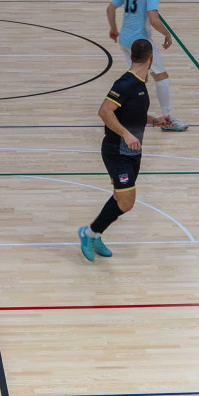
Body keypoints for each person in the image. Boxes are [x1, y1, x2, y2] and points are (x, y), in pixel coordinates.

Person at [80, 37, 154, 262]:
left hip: (133, 153)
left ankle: (95, 234)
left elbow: (132, 114)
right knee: (127, 201)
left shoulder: (140, 84)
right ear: (151, 59)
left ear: (131, 56)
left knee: (119, 197)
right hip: (117, 152)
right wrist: (126, 134)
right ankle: (88, 233)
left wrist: (155, 120)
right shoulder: (125, 83)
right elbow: (104, 111)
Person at [108, 0, 186, 132]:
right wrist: (167, 34)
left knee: (138, 78)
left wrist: (113, 29)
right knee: (161, 76)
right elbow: (154, 20)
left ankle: (127, 113)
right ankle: (168, 119)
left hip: (124, 40)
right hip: (140, 42)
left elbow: (110, 8)